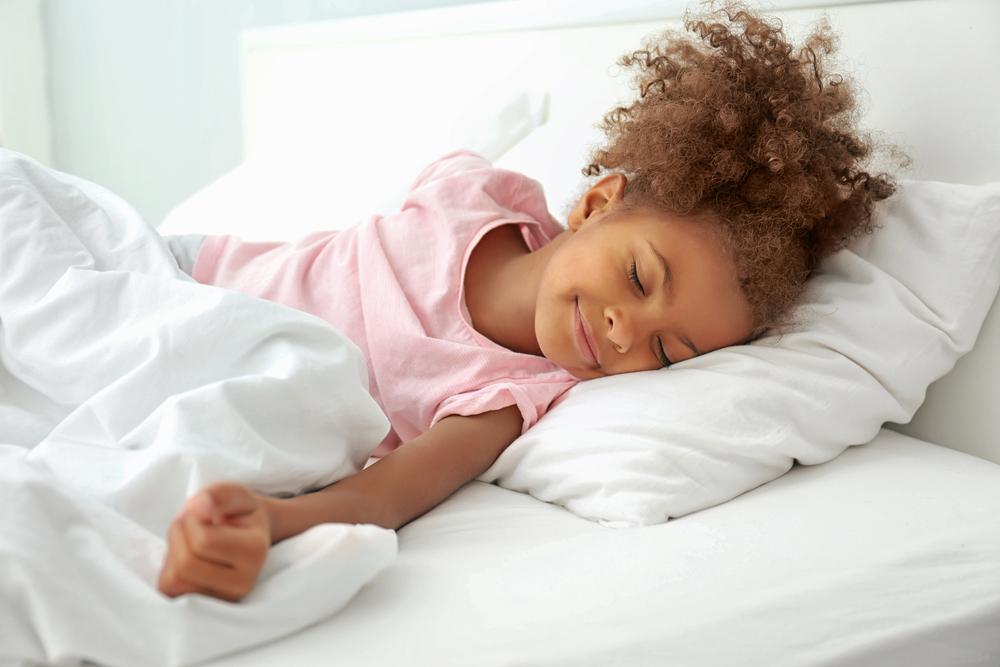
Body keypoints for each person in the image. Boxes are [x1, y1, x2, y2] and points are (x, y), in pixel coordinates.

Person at [157, 2, 899, 602]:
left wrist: (274, 520)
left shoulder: (507, 399)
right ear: (598, 203)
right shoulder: (475, 191)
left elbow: (384, 495)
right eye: (640, 278)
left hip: (212, 368)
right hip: (183, 275)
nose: (624, 332)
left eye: (669, 352)